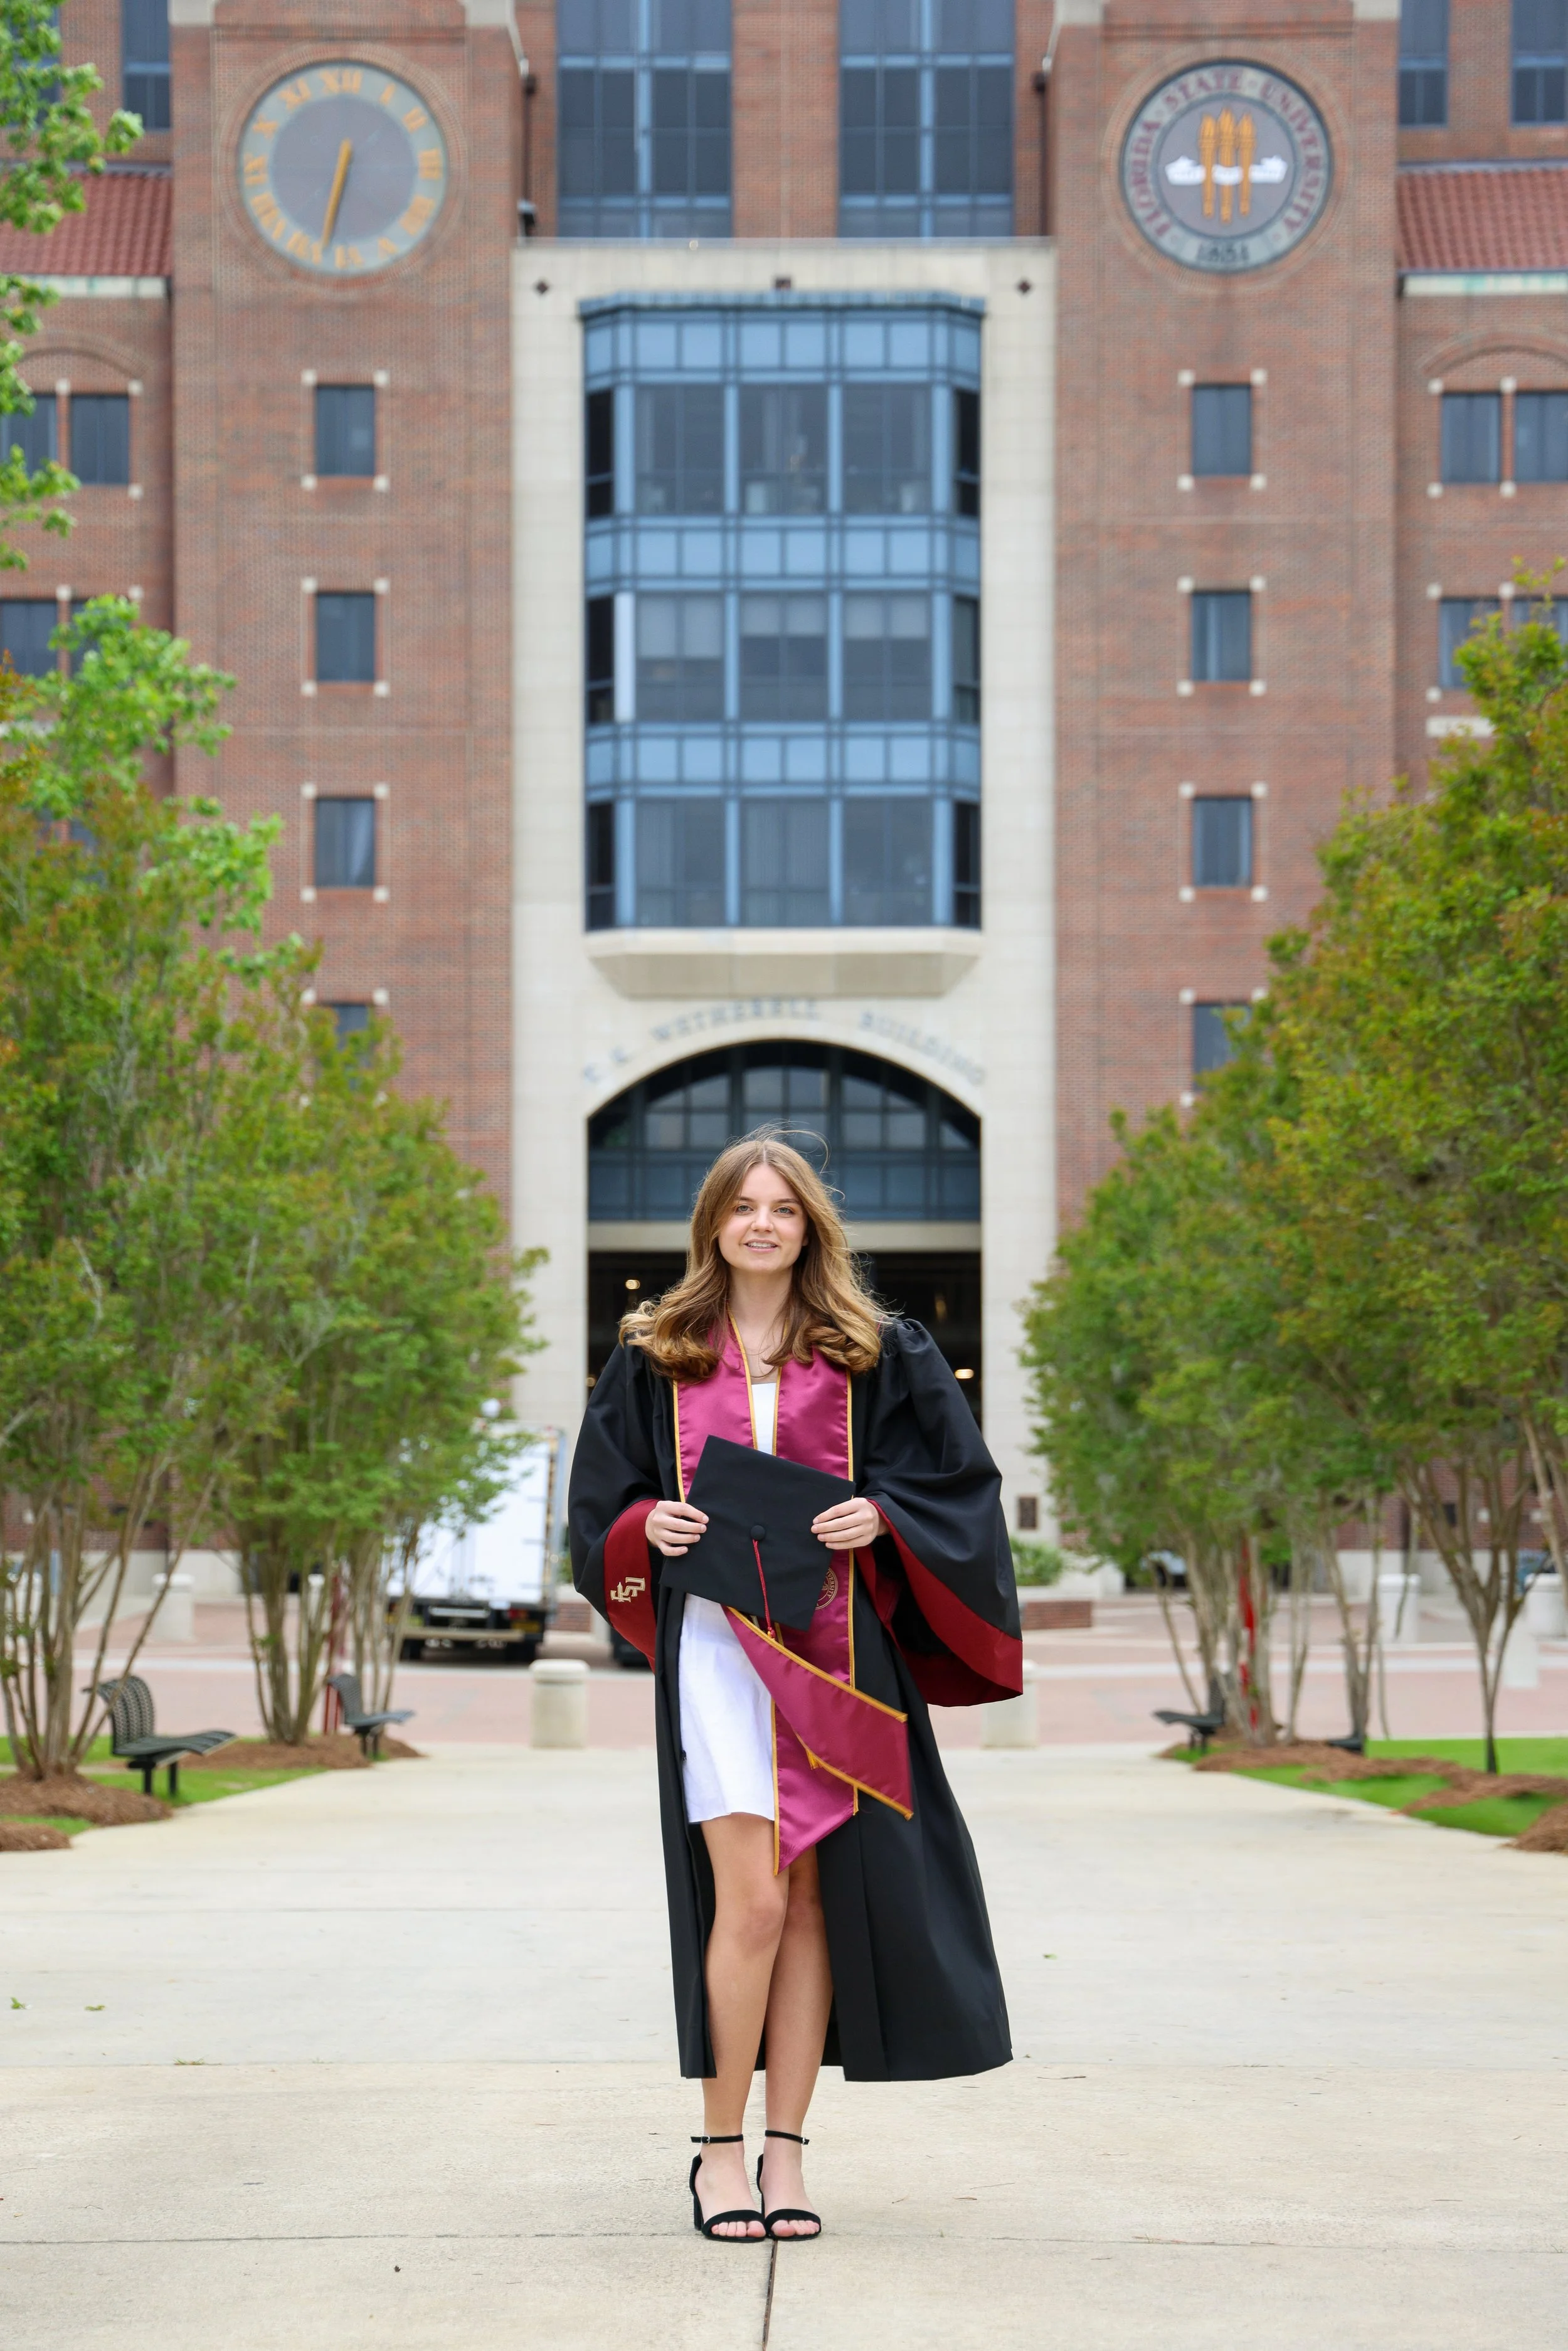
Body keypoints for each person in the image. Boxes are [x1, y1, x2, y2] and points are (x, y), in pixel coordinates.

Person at [568, 1132, 1022, 2243]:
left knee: (814, 1899)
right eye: (743, 1206)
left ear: (810, 1225)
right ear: (713, 1225)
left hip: (837, 1656)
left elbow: (956, 1486)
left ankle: (786, 2154)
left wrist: (885, 1517)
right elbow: (600, 1506)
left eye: (783, 1207)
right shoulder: (657, 1354)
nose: (762, 1223)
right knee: (755, 1901)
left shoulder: (876, 1350)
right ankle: (717, 2152)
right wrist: (646, 1526)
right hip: (721, 1654)